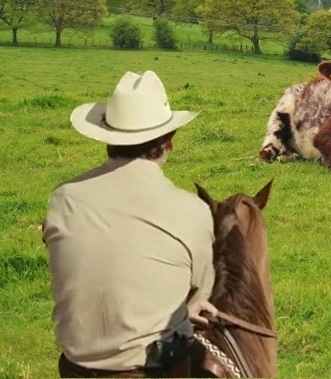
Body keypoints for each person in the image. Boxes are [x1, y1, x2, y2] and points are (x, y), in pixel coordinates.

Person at [44, 71, 217, 377]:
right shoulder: (192, 210)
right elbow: (200, 294)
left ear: (107, 139)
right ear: (169, 143)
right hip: (154, 370)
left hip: (74, 368)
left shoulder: (63, 198)